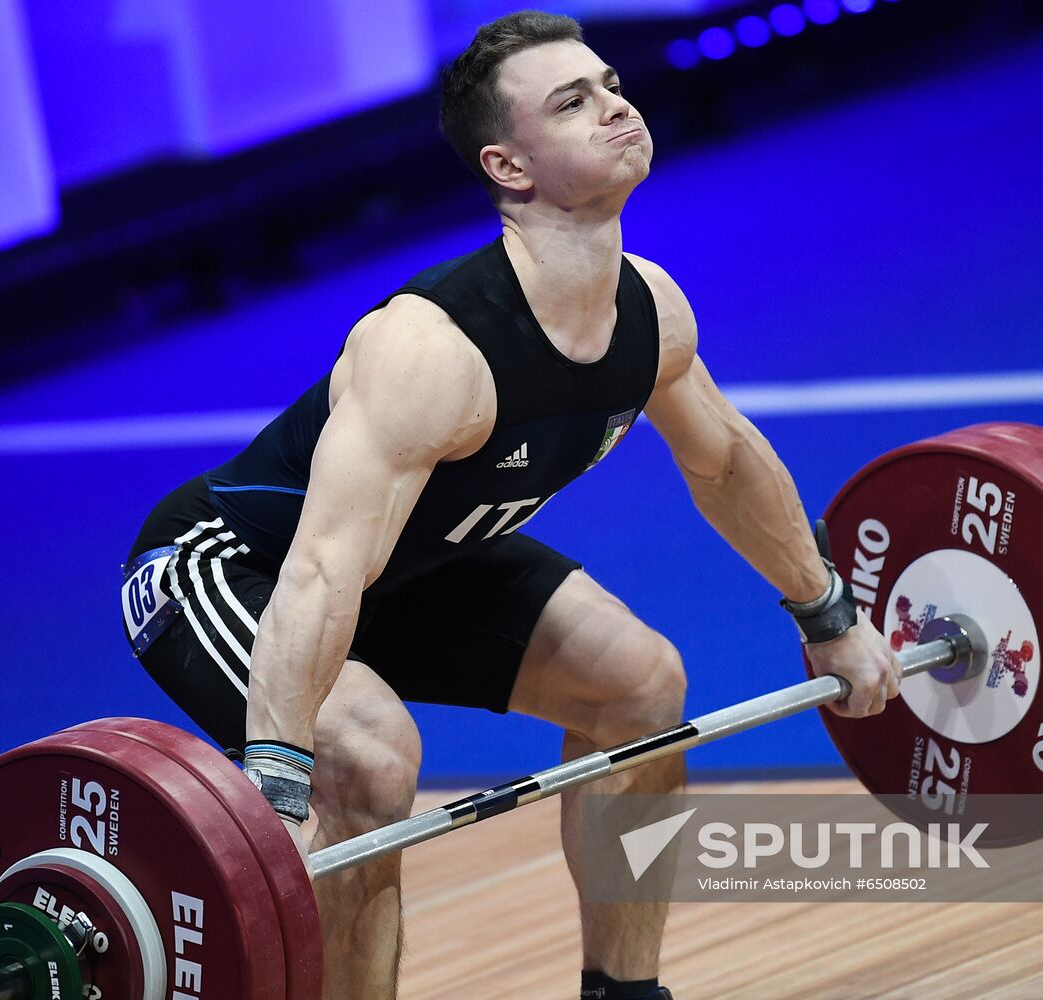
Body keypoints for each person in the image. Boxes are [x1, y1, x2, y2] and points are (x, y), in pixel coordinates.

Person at [121, 11, 898, 999]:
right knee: (364, 761)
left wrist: (826, 615)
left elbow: (727, 465)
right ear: (509, 166)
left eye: (609, 84)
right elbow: (318, 570)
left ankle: (622, 991)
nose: (614, 104)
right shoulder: (428, 352)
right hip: (232, 568)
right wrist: (278, 783)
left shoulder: (648, 310)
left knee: (641, 686)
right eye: (571, 102)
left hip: (408, 565)